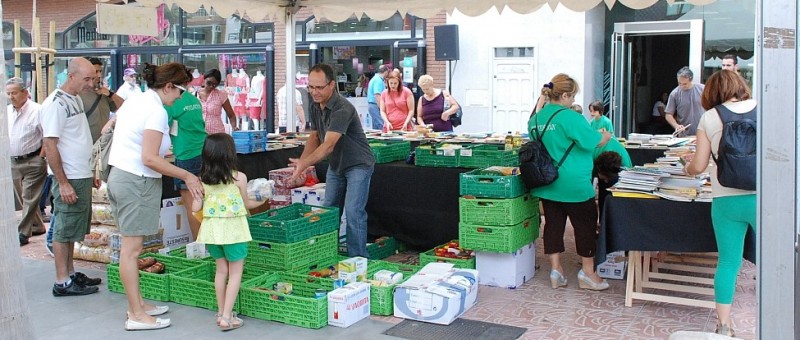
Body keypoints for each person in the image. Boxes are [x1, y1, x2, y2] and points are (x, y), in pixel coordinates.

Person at [107, 62, 203, 331]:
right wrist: (187, 175)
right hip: (135, 181)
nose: (182, 97)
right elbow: (148, 157)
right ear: (169, 86)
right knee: (132, 251)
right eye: (181, 91)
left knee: (133, 249)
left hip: (125, 177)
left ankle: (137, 305)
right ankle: (136, 314)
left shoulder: (135, 101)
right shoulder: (155, 111)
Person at [682, 70, 756, 338]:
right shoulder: (763, 107)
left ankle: (724, 325)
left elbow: (699, 166)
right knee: (777, 261)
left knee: (728, 263)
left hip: (726, 199)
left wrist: (686, 168)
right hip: (764, 198)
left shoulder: (710, 118)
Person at [528, 74, 612, 291]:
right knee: (584, 226)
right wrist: (606, 135)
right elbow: (593, 141)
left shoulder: (536, 118)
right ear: (564, 95)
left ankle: (556, 271)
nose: (573, 100)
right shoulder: (570, 117)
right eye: (572, 96)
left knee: (553, 226)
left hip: (546, 182)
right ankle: (588, 273)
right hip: (574, 183)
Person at [289, 63, 375, 258]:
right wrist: (301, 164)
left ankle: (359, 260)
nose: (314, 92)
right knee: (329, 210)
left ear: (332, 85)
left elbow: (328, 145)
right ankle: (327, 255)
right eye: (311, 87)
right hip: (337, 164)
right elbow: (315, 136)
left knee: (353, 212)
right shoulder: (314, 105)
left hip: (358, 164)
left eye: (319, 87)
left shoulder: (342, 108)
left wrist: (304, 164)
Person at [40, 57, 103, 296]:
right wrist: (63, 182)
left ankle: (70, 272)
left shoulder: (74, 99)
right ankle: (62, 281)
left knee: (73, 228)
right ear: (71, 76)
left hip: (80, 172)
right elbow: (50, 144)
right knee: (64, 228)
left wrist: (90, 170)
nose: (91, 83)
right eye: (87, 78)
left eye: (93, 79)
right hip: (69, 176)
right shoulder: (55, 104)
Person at [192, 133, 263, 331]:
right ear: (230, 153)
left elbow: (195, 208)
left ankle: (222, 312)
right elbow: (247, 203)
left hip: (212, 232)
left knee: (221, 271)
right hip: (234, 231)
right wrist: (264, 200)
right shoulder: (239, 178)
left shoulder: (202, 180)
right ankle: (226, 318)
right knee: (235, 272)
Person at [165, 69, 207, 241]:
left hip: (186, 155)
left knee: (193, 206)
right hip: (203, 151)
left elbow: (162, 127)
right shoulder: (192, 99)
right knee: (204, 202)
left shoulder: (172, 102)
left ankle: (201, 245)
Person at [7, 77, 46, 246]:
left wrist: (42, 156)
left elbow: (48, 135)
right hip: (13, 161)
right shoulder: (6, 111)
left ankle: (22, 233)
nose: (11, 96)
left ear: (25, 92)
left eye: (14, 93)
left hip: (33, 160)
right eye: (8, 93)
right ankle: (37, 225)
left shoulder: (37, 110)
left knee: (29, 196)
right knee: (24, 198)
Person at [81, 57, 125, 143]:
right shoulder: (78, 95)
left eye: (100, 71)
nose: (99, 75)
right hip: (86, 143)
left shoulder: (104, 93)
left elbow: (124, 108)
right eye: (96, 71)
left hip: (103, 143)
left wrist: (110, 94)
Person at [665, 66, 705, 136]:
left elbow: (713, 106)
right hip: (684, 134)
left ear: (691, 80)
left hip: (703, 132)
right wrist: (676, 125)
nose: (682, 86)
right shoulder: (675, 93)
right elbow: (668, 114)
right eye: (679, 83)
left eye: (685, 84)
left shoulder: (703, 89)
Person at [199, 69, 238, 134]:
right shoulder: (194, 95)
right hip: (199, 134)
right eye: (209, 83)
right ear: (204, 79)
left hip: (217, 134)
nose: (211, 86)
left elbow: (231, 115)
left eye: (214, 85)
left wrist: (234, 127)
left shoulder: (221, 95)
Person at [366, 65, 388, 130]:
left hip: (373, 105)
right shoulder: (378, 80)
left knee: (376, 127)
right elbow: (377, 95)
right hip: (375, 105)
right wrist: (382, 109)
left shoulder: (375, 79)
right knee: (381, 125)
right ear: (386, 72)